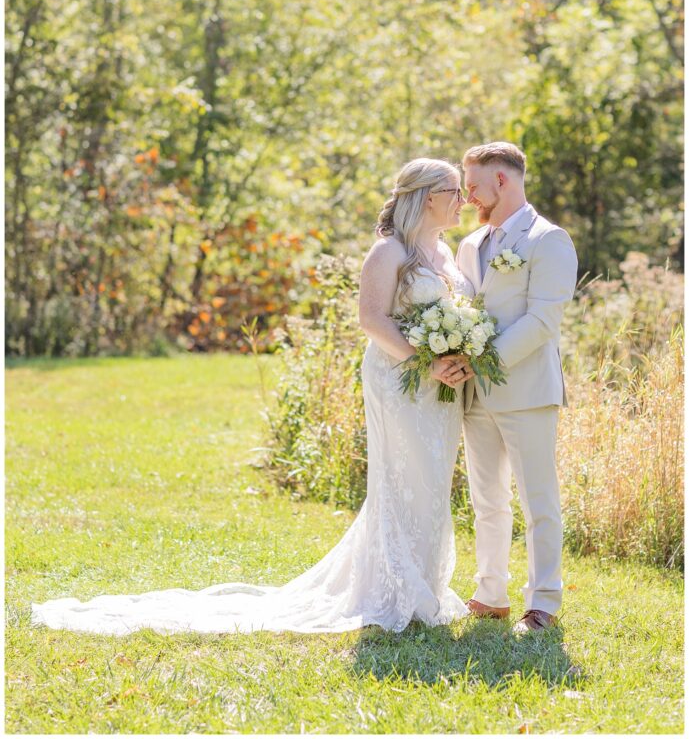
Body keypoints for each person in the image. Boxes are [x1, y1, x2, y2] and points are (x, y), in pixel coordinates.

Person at [31, 157, 476, 636]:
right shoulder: (388, 252)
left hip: (438, 387)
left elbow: (458, 314)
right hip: (398, 378)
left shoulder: (446, 255)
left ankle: (423, 585)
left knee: (430, 479)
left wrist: (457, 354)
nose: (464, 200)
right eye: (455, 191)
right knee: (399, 476)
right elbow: (372, 320)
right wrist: (423, 360)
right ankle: (395, 589)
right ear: (429, 196)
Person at [455, 141, 578, 633]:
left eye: (474, 186)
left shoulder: (548, 239)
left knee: (538, 499)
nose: (467, 197)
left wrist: (483, 360)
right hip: (474, 396)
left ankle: (544, 601)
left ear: (501, 181)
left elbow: (543, 320)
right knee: (487, 498)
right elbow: (463, 311)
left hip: (525, 389)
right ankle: (491, 592)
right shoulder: (470, 244)